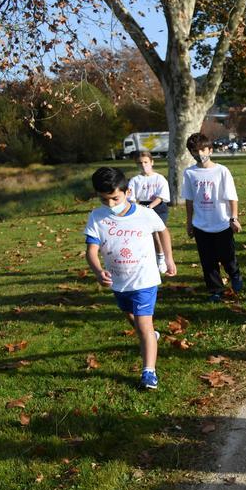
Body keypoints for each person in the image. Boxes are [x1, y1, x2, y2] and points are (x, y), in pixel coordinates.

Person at [85, 166, 177, 389]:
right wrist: (98, 272)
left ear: (127, 192)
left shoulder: (145, 214)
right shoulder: (97, 217)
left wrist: (169, 258)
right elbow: (91, 251)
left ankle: (149, 372)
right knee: (133, 319)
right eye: (104, 200)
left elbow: (162, 230)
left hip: (144, 279)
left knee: (144, 324)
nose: (110, 205)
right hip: (119, 281)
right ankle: (150, 337)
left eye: (115, 198)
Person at [181, 133, 242, 302]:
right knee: (208, 261)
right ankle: (216, 290)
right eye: (195, 150)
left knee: (227, 257)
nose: (199, 154)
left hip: (222, 223)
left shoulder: (222, 171)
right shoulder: (189, 173)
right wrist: (189, 222)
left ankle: (235, 273)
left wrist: (234, 218)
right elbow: (189, 199)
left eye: (202, 149)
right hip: (201, 224)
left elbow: (232, 197)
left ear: (210, 150)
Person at [127, 151, 171, 274]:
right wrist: (140, 207)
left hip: (157, 207)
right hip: (141, 207)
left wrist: (149, 207)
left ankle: (161, 259)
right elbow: (131, 198)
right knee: (142, 235)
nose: (143, 165)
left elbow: (160, 197)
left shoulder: (159, 178)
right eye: (140, 163)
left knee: (156, 233)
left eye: (146, 162)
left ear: (151, 162)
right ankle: (145, 259)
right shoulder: (135, 180)